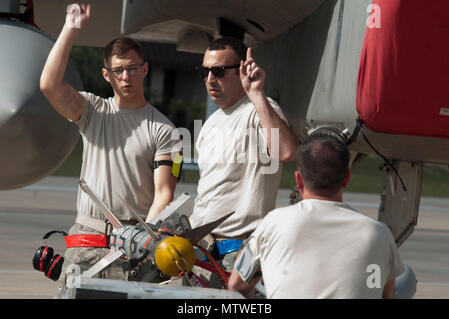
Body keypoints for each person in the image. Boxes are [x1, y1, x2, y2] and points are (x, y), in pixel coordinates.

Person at [40, 4, 180, 295]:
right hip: (87, 239)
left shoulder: (166, 130)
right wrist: (71, 28)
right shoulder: (92, 111)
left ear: (145, 69)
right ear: (107, 75)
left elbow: (165, 192)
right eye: (118, 70)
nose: (126, 76)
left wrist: (143, 236)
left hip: (135, 245)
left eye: (132, 68)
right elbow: (49, 86)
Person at [228, 133, 405, 298]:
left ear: (298, 180)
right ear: (346, 179)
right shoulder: (379, 233)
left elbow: (237, 286)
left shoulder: (273, 223)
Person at [189, 37, 298, 287]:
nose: (209, 79)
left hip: (238, 255)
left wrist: (257, 93)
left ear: (241, 70)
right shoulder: (210, 124)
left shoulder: (259, 110)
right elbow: (211, 194)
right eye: (204, 71)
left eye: (218, 71)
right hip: (203, 251)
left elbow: (286, 152)